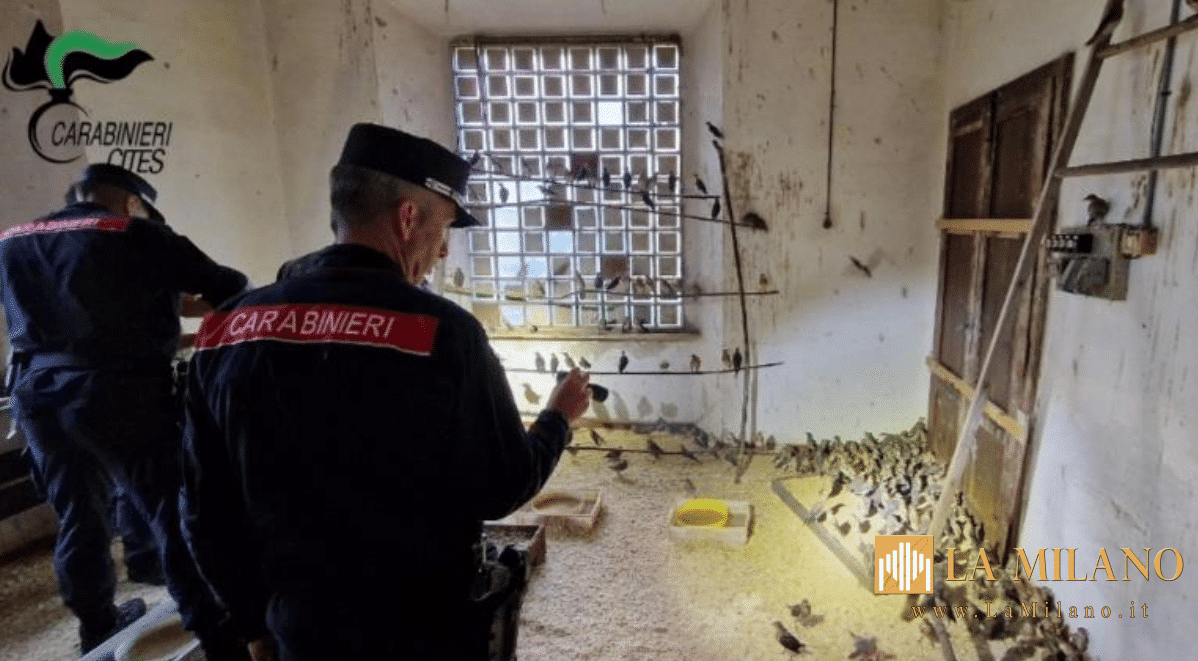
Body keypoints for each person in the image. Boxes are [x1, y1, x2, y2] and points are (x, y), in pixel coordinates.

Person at [180, 123, 591, 661]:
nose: (444, 251)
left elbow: (203, 510)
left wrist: (253, 626)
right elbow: (502, 486)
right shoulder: (444, 334)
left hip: (300, 626)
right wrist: (558, 417)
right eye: (445, 227)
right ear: (407, 218)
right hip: (423, 626)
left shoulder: (228, 330)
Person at [0, 163, 251, 657]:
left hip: (38, 395)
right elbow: (231, 284)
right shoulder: (137, 234)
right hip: (118, 395)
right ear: (134, 203)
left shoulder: (12, 240)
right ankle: (215, 632)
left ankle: (97, 627)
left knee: (79, 516)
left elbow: (76, 308)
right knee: (171, 513)